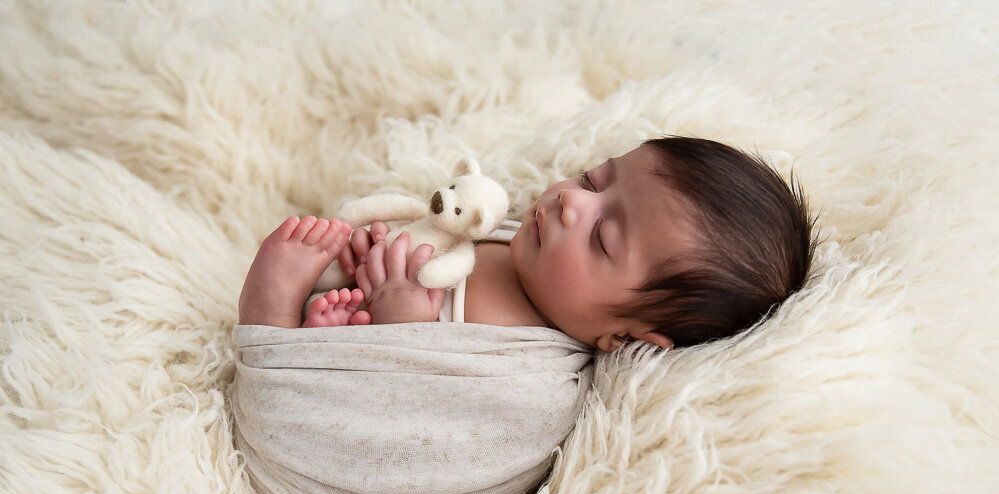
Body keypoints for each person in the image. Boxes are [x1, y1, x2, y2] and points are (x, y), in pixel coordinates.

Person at [237, 136, 815, 352]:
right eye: (595, 179)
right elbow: (442, 246)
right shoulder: (519, 240)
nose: (572, 202)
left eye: (602, 237)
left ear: (625, 338)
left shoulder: (533, 361)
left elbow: (432, 427)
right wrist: (371, 264)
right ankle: (316, 341)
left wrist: (402, 325)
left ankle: (271, 322)